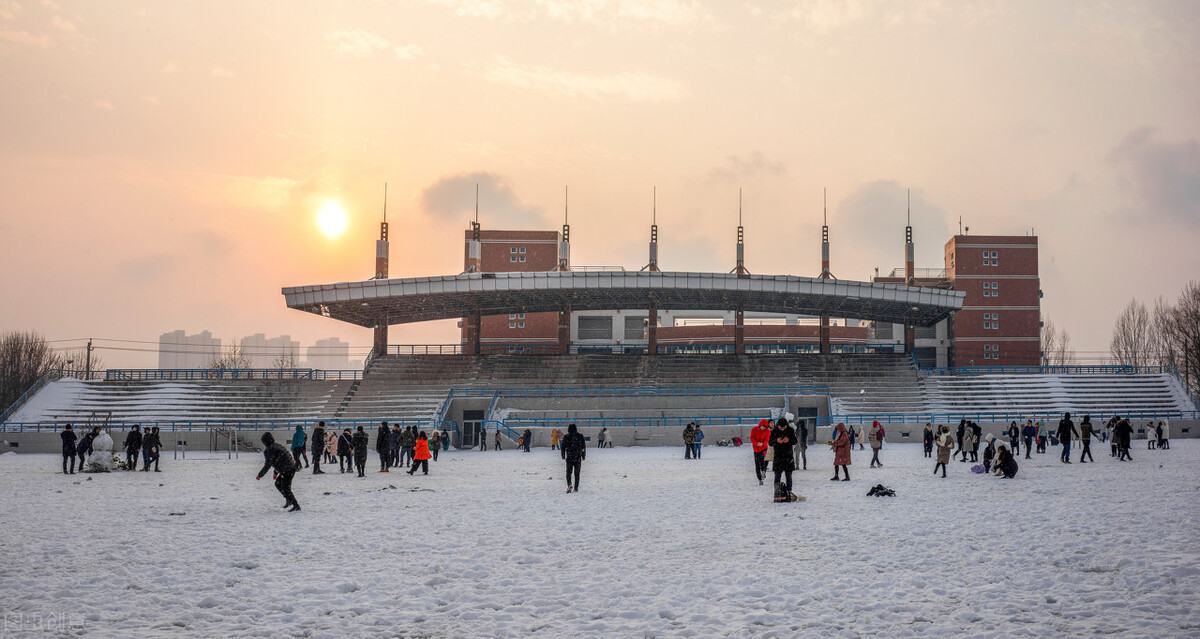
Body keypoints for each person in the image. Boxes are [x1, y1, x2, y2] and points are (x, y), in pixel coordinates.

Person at [256, 432, 300, 512]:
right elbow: (279, 460)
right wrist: (275, 473)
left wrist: (260, 475)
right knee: (278, 484)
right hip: (289, 467)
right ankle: (289, 500)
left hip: (287, 469)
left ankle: (296, 506)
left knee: (285, 488)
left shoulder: (270, 449)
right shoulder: (276, 445)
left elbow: (268, 464)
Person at [770, 417, 797, 498]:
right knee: (777, 476)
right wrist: (776, 441)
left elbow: (795, 441)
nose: (782, 429)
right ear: (778, 425)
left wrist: (788, 440)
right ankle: (777, 493)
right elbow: (770, 443)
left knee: (789, 476)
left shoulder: (790, 430)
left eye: (784, 427)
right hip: (778, 456)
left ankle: (789, 492)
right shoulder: (774, 431)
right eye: (781, 427)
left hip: (788, 456)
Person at [561, 423, 586, 493]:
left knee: (568, 472)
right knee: (577, 473)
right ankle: (576, 487)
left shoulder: (566, 436)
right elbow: (583, 446)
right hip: (578, 456)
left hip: (569, 456)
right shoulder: (580, 436)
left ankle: (569, 484)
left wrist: (563, 455)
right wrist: (583, 456)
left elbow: (563, 447)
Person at [750, 419, 771, 485]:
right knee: (757, 464)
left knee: (762, 460)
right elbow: (752, 438)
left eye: (764, 427)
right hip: (756, 448)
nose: (763, 428)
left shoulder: (767, 431)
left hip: (763, 448)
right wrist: (756, 443)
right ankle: (759, 478)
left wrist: (763, 444)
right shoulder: (754, 429)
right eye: (762, 426)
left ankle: (763, 470)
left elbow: (767, 439)